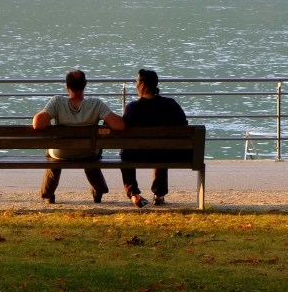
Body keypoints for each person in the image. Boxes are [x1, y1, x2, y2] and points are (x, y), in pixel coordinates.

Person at [32, 69, 124, 204]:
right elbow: (119, 125)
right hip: (89, 152)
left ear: (67, 85)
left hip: (61, 153)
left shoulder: (57, 102)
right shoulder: (96, 104)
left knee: (51, 152)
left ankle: (48, 193)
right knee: (92, 153)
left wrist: (48, 120)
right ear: (85, 84)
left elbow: (37, 124)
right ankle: (98, 189)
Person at [120, 68, 190, 207]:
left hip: (136, 155)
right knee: (163, 149)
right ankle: (159, 195)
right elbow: (183, 125)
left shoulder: (132, 108)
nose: (135, 85)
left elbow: (123, 131)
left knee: (125, 153)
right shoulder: (171, 105)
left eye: (136, 82)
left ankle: (133, 194)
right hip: (164, 153)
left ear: (143, 85)